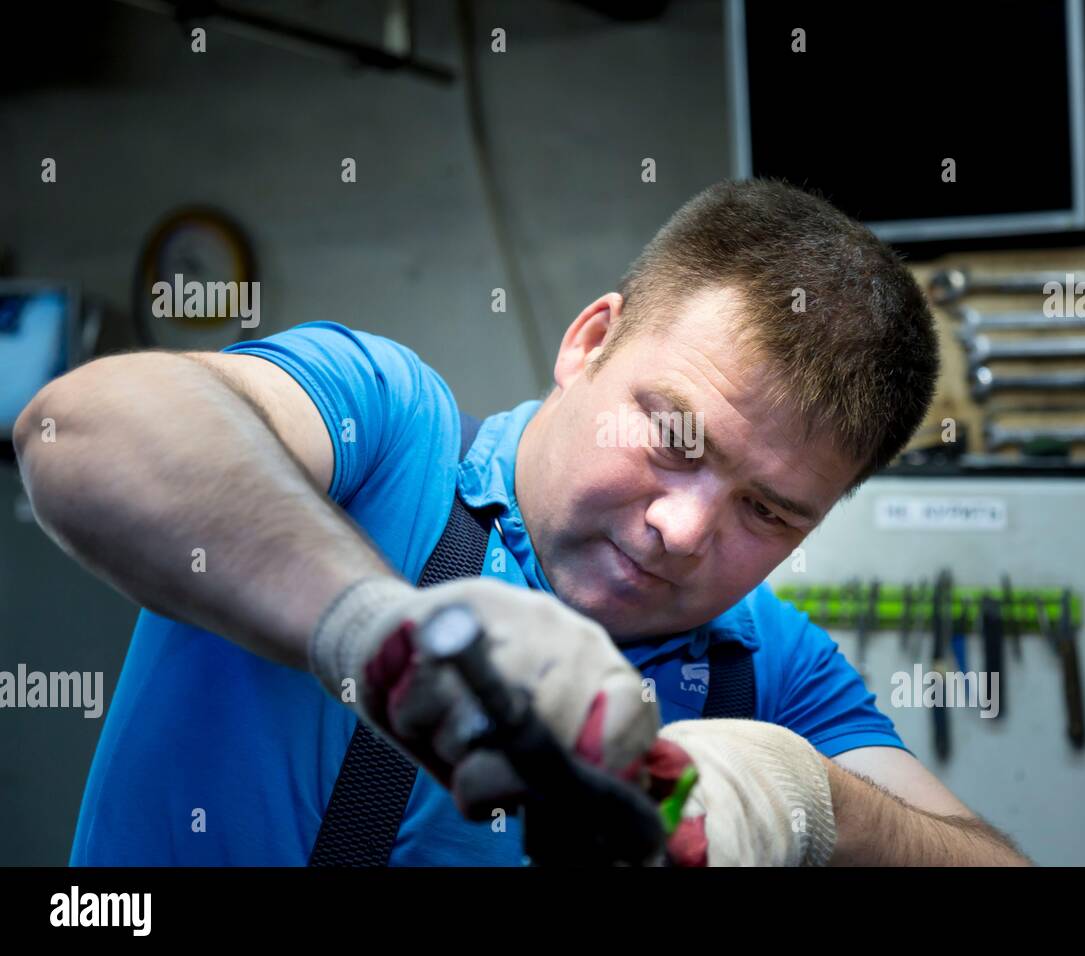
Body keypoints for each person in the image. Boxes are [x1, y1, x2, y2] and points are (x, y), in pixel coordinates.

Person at [16, 178, 1028, 866]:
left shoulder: (769, 664)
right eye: (676, 436)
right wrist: (382, 634)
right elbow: (78, 426)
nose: (682, 528)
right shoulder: (388, 436)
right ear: (590, 342)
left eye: (766, 510)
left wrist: (815, 802)